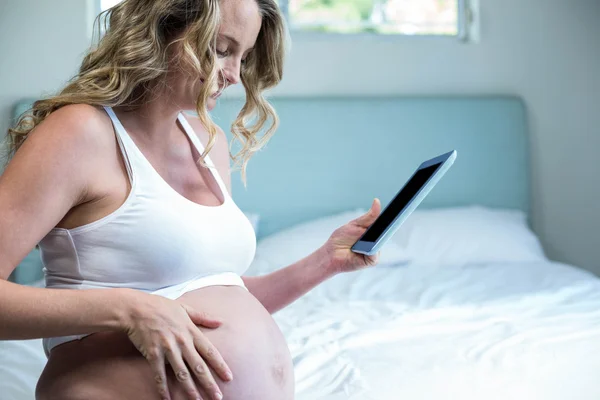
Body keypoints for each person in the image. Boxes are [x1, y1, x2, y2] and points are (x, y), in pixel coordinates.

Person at [0, 0, 381, 399]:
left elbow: (211, 297)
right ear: (160, 30)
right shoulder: (79, 132)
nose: (234, 75)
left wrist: (325, 262)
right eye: (221, 49)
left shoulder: (207, 140)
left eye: (244, 55)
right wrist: (130, 309)